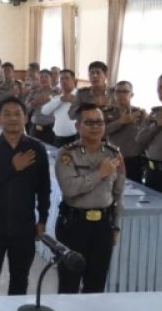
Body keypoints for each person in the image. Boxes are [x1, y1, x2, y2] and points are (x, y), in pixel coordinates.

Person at [0, 96, 51, 296]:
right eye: (7, 114)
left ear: (26, 118)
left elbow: (44, 188)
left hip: (24, 228)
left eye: (18, 114)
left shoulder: (37, 149)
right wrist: (12, 168)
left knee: (20, 280)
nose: (13, 119)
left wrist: (42, 219)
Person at [55, 103, 125, 293]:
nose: (96, 127)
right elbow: (69, 188)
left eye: (99, 122)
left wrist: (116, 226)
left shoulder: (114, 154)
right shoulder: (67, 154)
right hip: (74, 224)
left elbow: (118, 194)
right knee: (68, 284)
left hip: (103, 226)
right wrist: (100, 173)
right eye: (90, 122)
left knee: (96, 285)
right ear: (78, 126)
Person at [104, 81, 147, 182]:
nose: (121, 95)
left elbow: (146, 136)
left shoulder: (140, 113)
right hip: (113, 159)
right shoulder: (107, 112)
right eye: (118, 91)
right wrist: (120, 122)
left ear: (131, 94)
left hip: (134, 161)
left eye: (125, 91)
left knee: (134, 189)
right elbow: (101, 132)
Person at [42, 69, 79, 147]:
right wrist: (61, 100)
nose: (64, 81)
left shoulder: (80, 96)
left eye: (67, 78)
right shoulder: (58, 98)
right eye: (61, 79)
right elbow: (44, 111)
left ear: (74, 80)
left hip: (75, 138)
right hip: (57, 138)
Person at [26, 69, 59, 145]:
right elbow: (26, 109)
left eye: (46, 77)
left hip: (51, 128)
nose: (43, 79)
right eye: (41, 77)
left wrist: (47, 99)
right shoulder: (33, 92)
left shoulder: (56, 92)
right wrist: (33, 103)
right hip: (35, 127)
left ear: (51, 79)